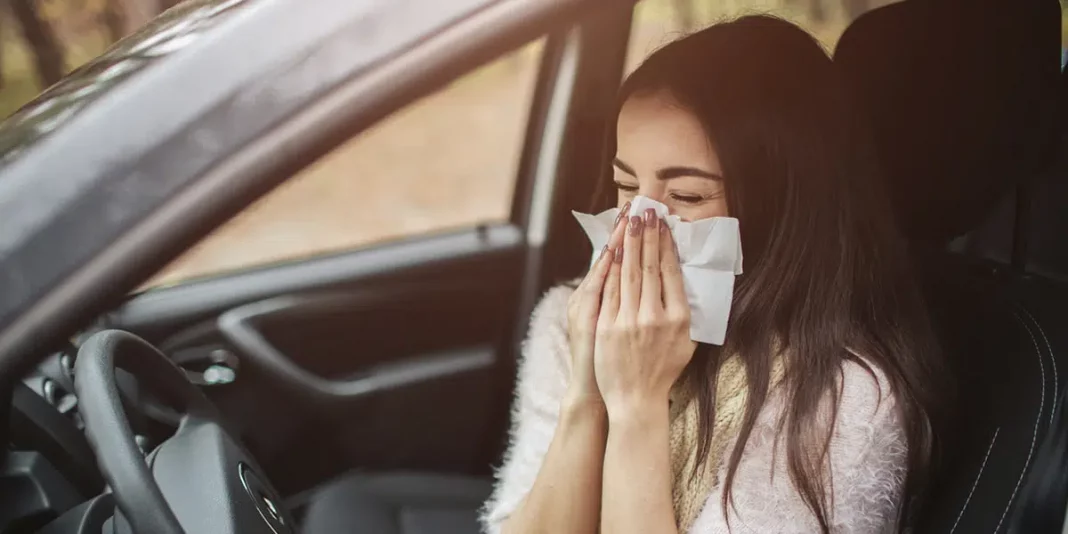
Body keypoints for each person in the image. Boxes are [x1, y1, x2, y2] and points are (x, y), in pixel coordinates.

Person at [480, 15, 941, 534]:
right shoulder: (572, 323)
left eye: (689, 196)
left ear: (781, 211)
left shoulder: (837, 396)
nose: (638, 224)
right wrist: (588, 394)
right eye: (626, 186)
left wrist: (636, 408)